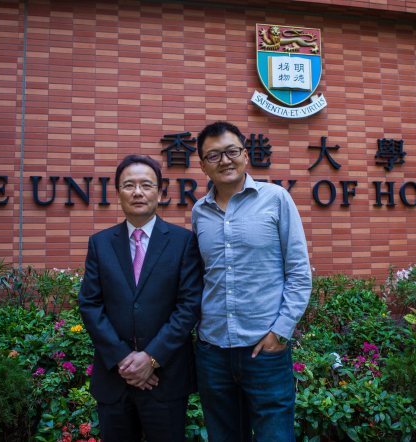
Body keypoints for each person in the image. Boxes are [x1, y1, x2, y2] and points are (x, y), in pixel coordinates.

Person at [191, 121, 312, 441]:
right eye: (213, 155)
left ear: (245, 155)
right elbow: (204, 276)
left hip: (265, 350)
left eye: (232, 151)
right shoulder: (199, 212)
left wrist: (280, 332)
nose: (225, 160)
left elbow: (299, 274)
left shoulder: (276, 199)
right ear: (202, 165)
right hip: (212, 352)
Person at [79, 155, 203, 442]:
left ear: (160, 192)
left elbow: (189, 306)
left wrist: (151, 357)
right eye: (129, 185)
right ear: (118, 192)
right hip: (114, 379)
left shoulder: (184, 242)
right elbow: (90, 304)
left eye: (146, 185)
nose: (138, 192)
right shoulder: (100, 243)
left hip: (166, 380)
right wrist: (124, 359)